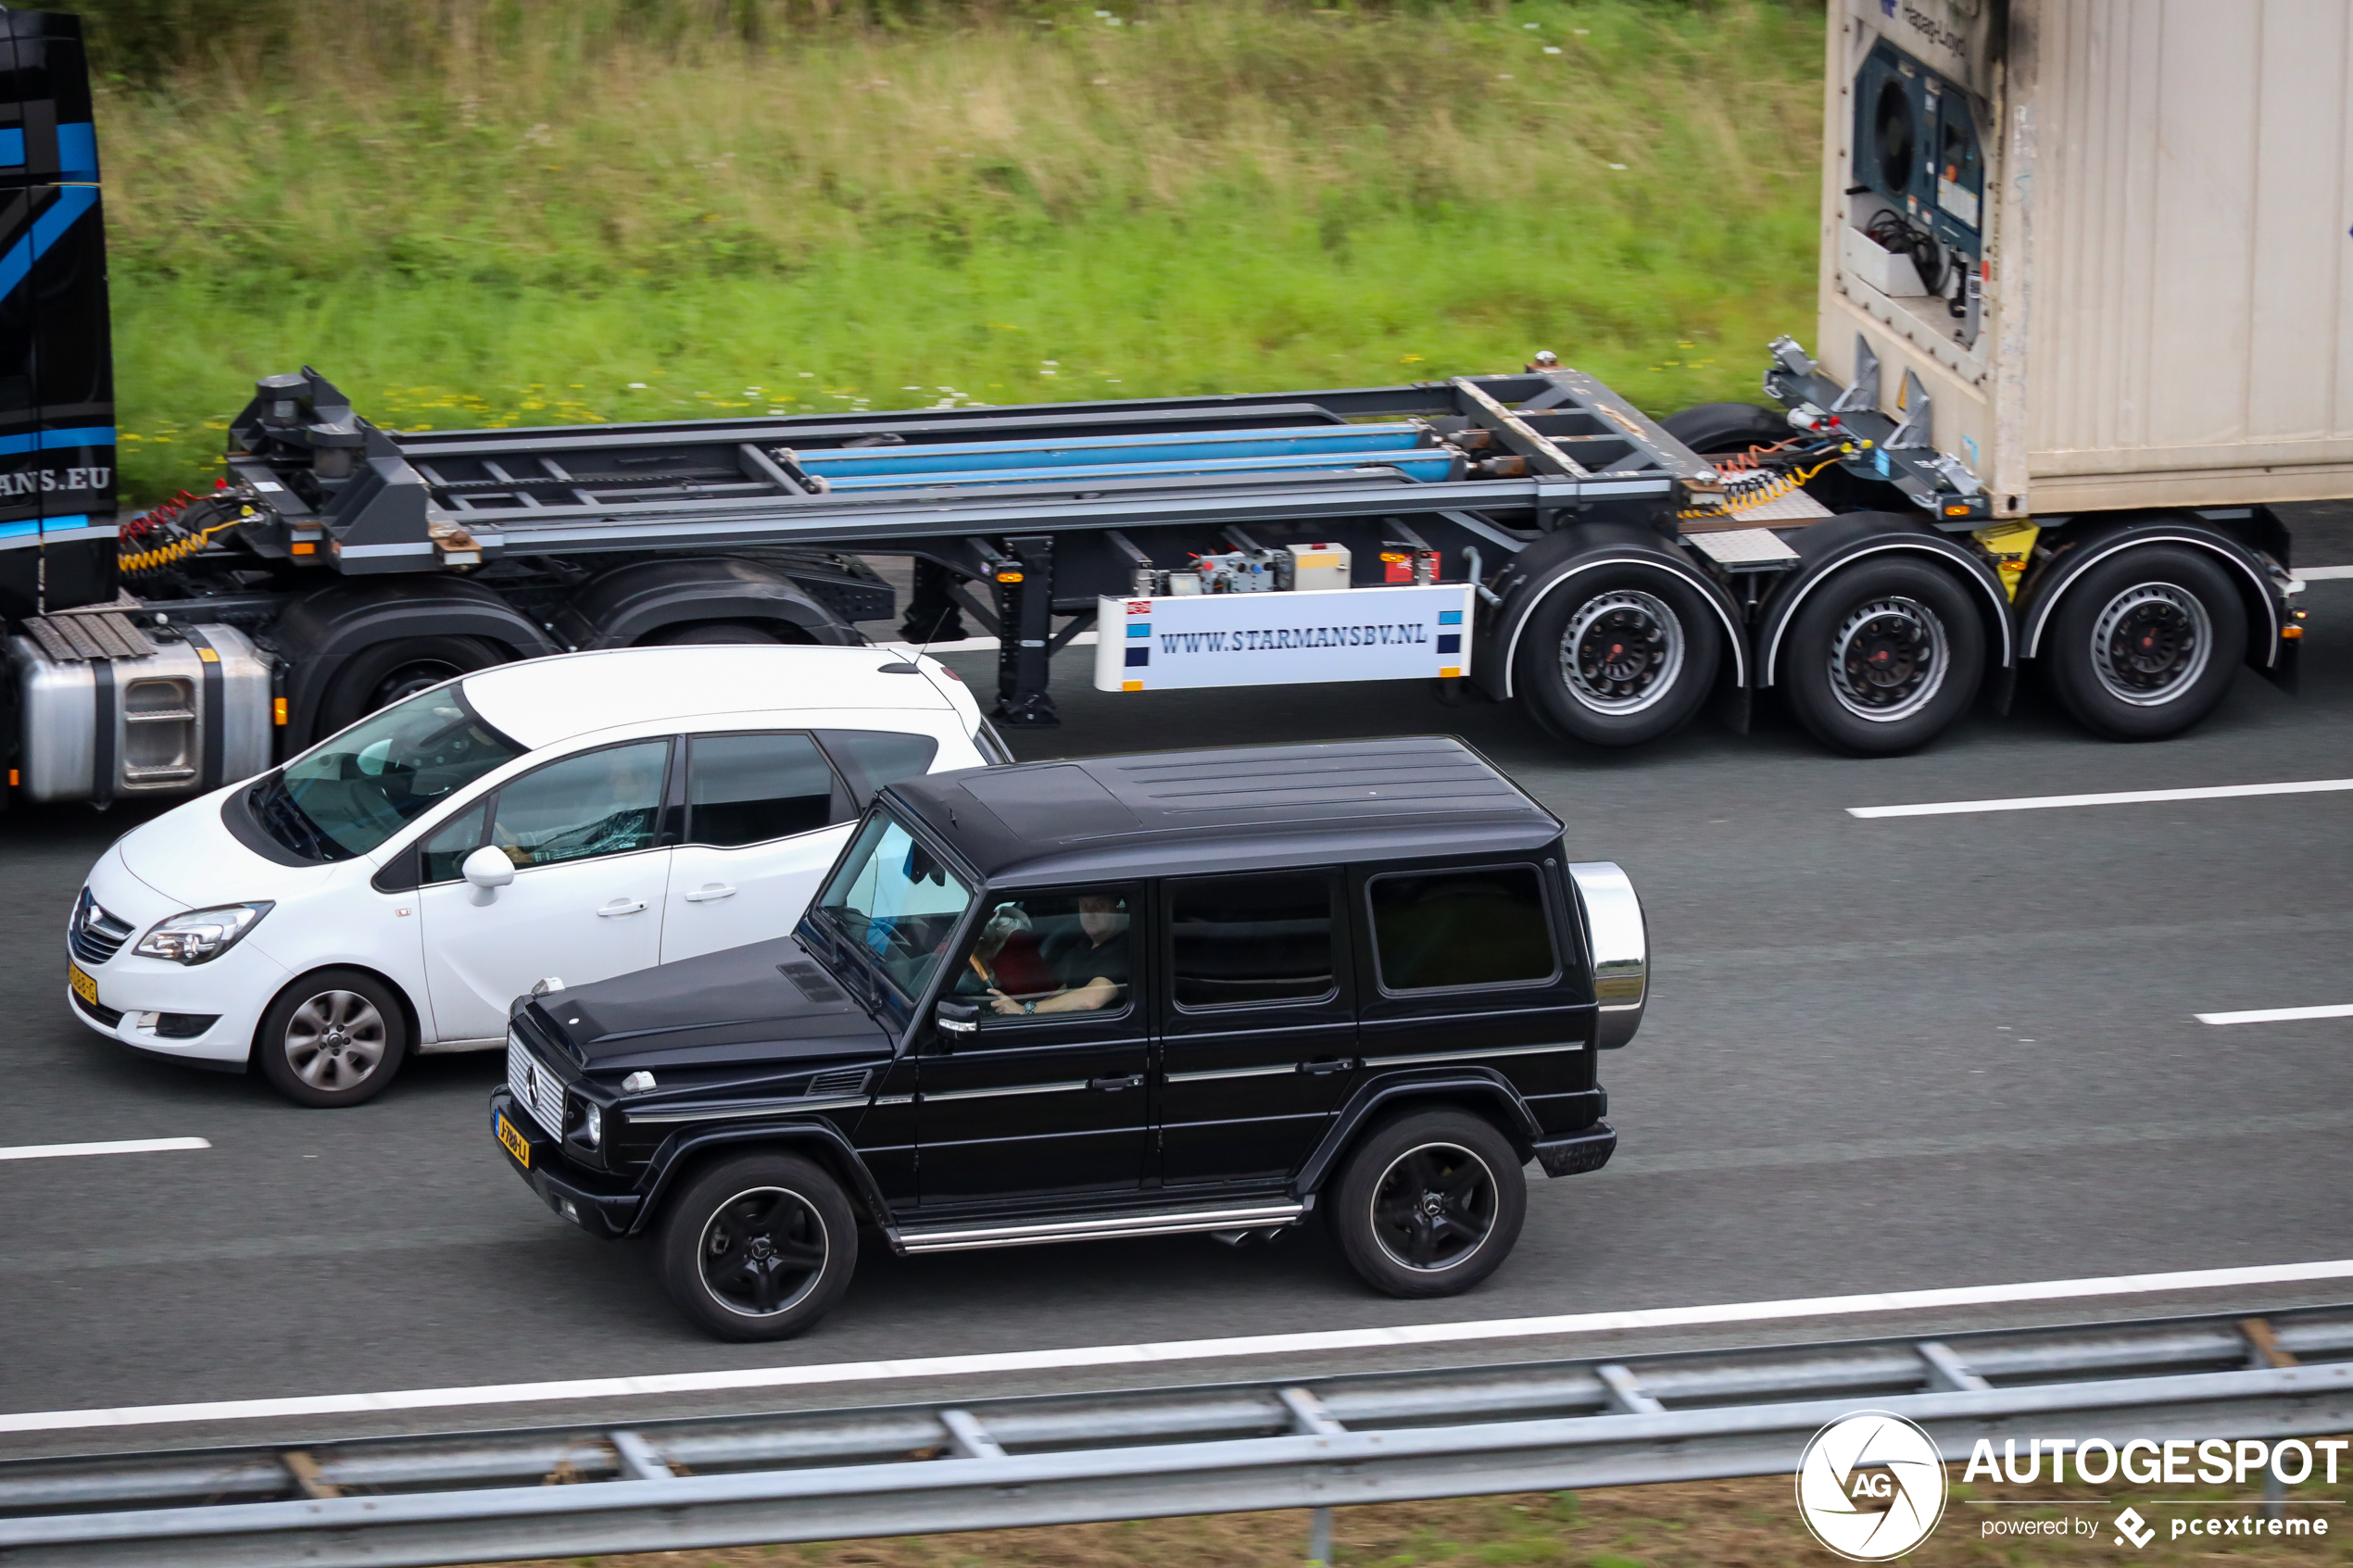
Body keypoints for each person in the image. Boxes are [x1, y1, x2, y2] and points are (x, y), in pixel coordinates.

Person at [988, 893, 1127, 1016]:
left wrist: (1026, 1010)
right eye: (1083, 905)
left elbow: (1091, 1000)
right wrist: (1029, 1011)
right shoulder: (1086, 943)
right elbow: (1067, 989)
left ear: (1118, 909)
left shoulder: (1121, 951)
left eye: (1098, 905)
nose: (1088, 913)